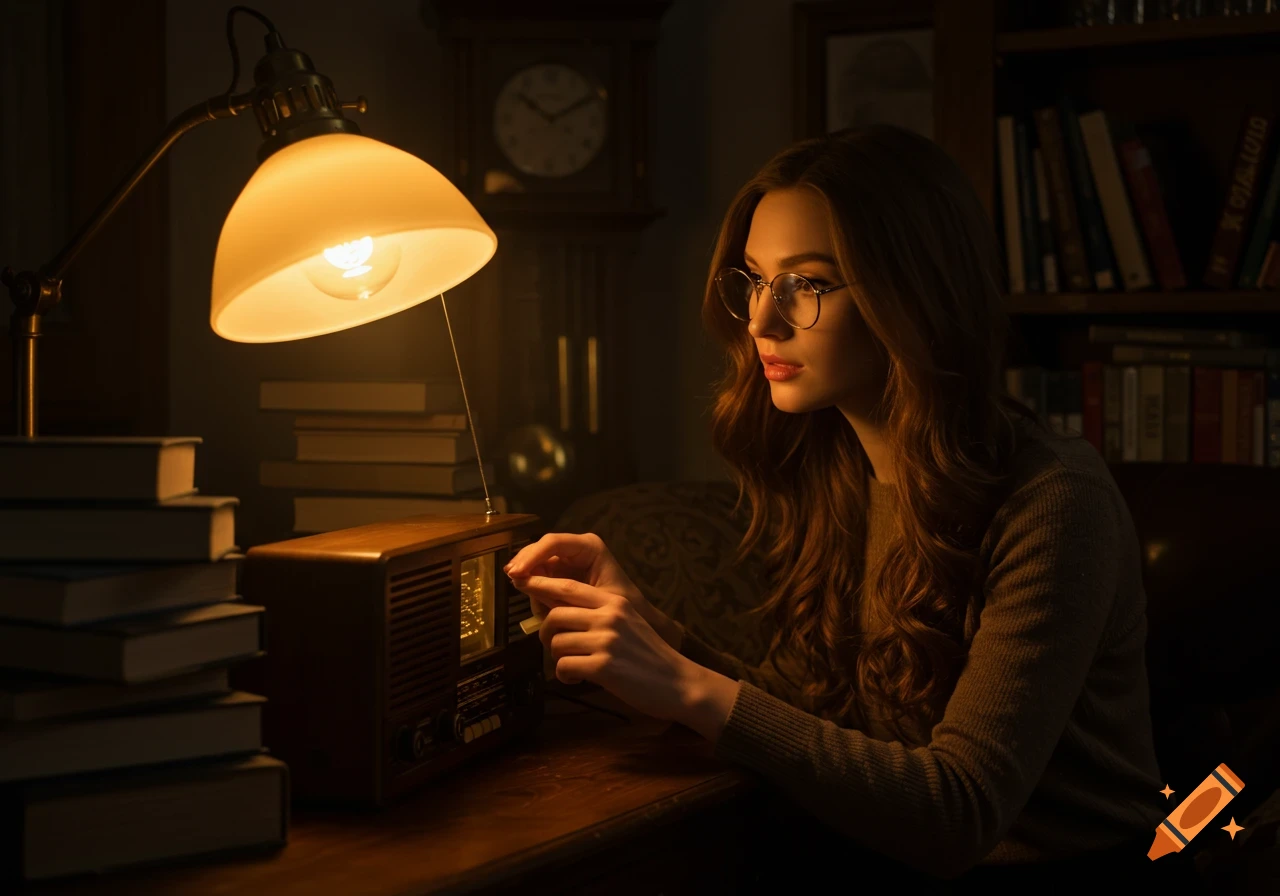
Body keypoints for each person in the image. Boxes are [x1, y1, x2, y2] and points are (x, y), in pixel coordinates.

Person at [504, 124, 1203, 891]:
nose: (764, 321)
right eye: (755, 280)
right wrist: (654, 637)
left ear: (913, 291)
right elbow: (815, 723)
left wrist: (686, 686)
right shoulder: (834, 468)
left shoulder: (1054, 500)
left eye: (806, 284)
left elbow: (960, 810)